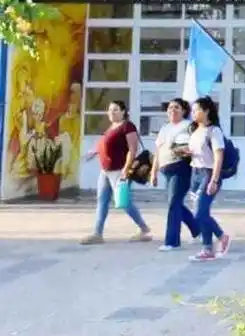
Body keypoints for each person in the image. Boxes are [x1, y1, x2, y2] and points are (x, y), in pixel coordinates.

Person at [80, 100, 152, 245]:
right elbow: (105, 145)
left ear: (123, 112)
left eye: (116, 110)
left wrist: (126, 168)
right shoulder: (111, 127)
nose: (112, 112)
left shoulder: (127, 126)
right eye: (110, 110)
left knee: (123, 202)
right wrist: (93, 152)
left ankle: (144, 229)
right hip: (105, 171)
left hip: (119, 170)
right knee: (102, 201)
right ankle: (97, 233)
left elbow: (133, 149)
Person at [150, 98, 199, 251]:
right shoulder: (165, 128)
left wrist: (185, 150)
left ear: (184, 111)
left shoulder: (188, 126)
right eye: (170, 107)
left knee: (173, 204)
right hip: (166, 170)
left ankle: (172, 242)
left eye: (176, 107)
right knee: (176, 203)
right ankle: (198, 230)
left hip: (181, 168)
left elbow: (196, 145)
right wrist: (154, 172)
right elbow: (158, 151)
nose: (172, 110)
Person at [187, 96, 231, 261]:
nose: (193, 113)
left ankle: (218, 238)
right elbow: (198, 151)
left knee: (199, 212)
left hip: (209, 173)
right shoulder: (195, 130)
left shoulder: (214, 131)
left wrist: (214, 179)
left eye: (196, 110)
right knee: (201, 212)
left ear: (206, 111)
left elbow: (218, 156)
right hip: (195, 173)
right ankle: (210, 246)